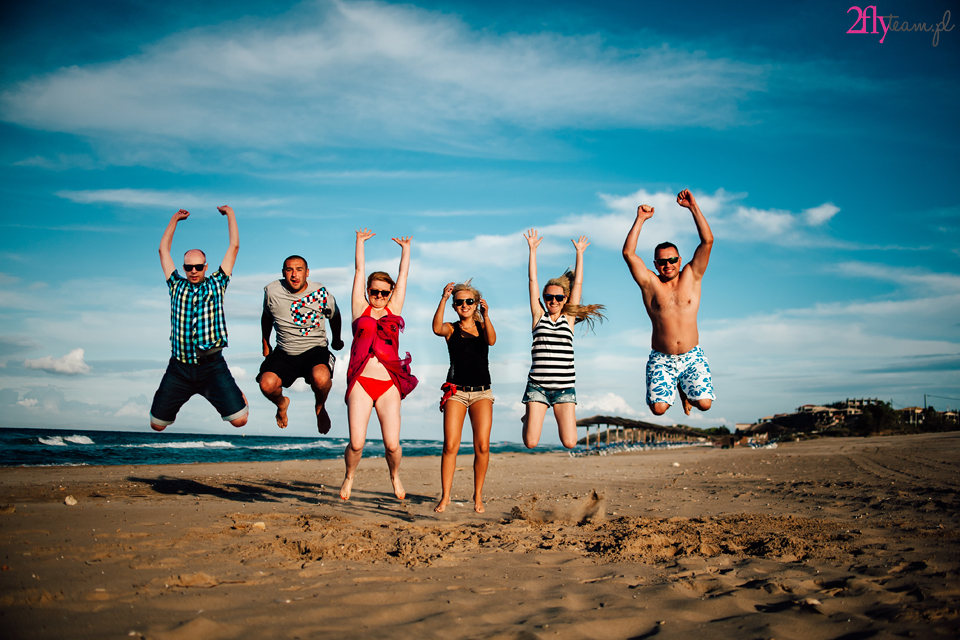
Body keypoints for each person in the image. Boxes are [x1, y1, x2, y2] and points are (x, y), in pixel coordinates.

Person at [149, 206, 248, 431]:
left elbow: (234, 246)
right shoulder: (175, 285)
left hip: (212, 368)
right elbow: (163, 251)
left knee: (240, 421)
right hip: (179, 369)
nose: (193, 271)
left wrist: (231, 214)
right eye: (188, 267)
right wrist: (174, 219)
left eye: (198, 267)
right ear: (183, 268)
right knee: (157, 425)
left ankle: (235, 394)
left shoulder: (217, 283)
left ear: (205, 266)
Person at [622, 189, 716, 416]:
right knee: (658, 410)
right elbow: (628, 253)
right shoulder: (650, 283)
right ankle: (676, 386)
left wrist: (693, 207)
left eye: (673, 259)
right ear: (656, 264)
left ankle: (684, 390)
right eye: (663, 261)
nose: (668, 264)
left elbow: (707, 241)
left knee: (704, 404)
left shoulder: (692, 275)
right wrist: (640, 219)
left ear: (679, 259)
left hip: (692, 356)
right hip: (661, 358)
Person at [340, 229, 418, 501]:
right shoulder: (359, 308)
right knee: (357, 443)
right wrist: (359, 242)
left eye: (385, 292)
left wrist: (405, 250)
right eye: (374, 291)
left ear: (391, 292)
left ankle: (394, 475)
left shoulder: (393, 309)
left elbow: (404, 277)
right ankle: (349, 476)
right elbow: (359, 270)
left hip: (388, 384)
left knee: (392, 445)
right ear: (368, 291)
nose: (379, 296)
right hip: (361, 381)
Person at [521, 230, 604, 449]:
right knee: (530, 442)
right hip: (537, 386)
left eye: (558, 297)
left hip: (564, 389)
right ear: (545, 299)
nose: (553, 301)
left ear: (565, 299)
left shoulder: (569, 319)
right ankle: (527, 417)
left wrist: (580, 254)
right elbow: (532, 280)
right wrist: (532, 250)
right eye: (549, 297)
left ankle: (528, 415)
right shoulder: (539, 316)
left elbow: (578, 285)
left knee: (569, 442)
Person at [258, 255, 344, 433]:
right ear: (283, 272)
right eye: (289, 270)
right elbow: (267, 316)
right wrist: (265, 342)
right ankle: (282, 404)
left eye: (299, 270)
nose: (294, 275)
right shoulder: (272, 291)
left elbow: (335, 315)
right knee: (266, 384)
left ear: (307, 273)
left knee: (321, 378)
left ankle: (320, 406)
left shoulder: (320, 293)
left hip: (315, 350)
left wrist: (336, 339)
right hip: (285, 351)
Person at [432, 280, 497, 513]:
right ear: (454, 306)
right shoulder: (450, 328)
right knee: (450, 446)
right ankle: (446, 496)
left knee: (482, 446)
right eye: (459, 302)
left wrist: (486, 315)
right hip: (456, 393)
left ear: (476, 303)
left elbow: (491, 340)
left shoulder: (482, 326)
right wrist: (443, 298)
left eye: (469, 301)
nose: (464, 305)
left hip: (482, 393)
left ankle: (478, 496)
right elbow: (436, 327)